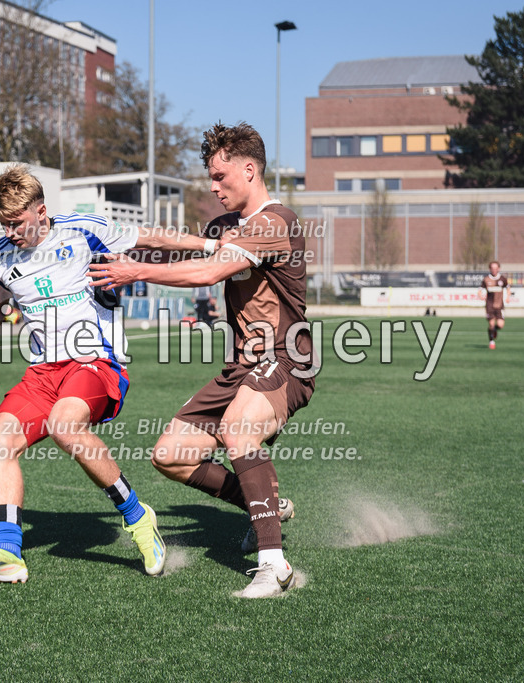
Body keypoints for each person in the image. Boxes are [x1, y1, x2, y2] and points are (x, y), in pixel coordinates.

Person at [0, 164, 213, 584]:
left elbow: (150, 236)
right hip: (42, 371)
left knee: (64, 424)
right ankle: (8, 553)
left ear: (41, 210)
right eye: (3, 224)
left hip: (95, 362)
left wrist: (210, 242)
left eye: (17, 223)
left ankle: (136, 516)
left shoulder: (82, 230)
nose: (11, 232)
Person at [89, 122, 313, 598]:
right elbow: (188, 244)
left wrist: (137, 271)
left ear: (249, 170)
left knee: (237, 429)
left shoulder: (277, 223)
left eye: (220, 176)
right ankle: (266, 506)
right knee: (170, 456)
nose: (213, 187)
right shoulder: (225, 226)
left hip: (286, 359)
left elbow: (212, 268)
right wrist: (108, 238)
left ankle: (273, 566)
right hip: (240, 368)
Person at [481, 261, 510, 350]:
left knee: (500, 325)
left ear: (498, 269)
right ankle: (491, 342)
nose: (494, 270)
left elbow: (508, 288)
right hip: (489, 306)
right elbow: (480, 289)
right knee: (491, 323)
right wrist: (480, 295)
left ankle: (494, 331)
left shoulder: (502, 279)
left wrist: (508, 297)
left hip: (499, 306)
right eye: (492, 268)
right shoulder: (486, 279)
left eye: (496, 268)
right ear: (490, 269)